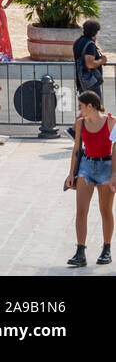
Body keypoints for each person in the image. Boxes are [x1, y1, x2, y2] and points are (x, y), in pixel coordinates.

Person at [64, 90, 116, 267]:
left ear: (90, 106)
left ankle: (107, 249)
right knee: (81, 210)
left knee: (105, 210)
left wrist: (114, 174)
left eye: (80, 107)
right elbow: (77, 149)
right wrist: (71, 174)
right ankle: (80, 251)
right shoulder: (80, 124)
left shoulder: (111, 122)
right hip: (86, 166)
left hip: (106, 167)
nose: (79, 110)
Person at [75, 20, 106, 105]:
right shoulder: (90, 45)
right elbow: (90, 64)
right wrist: (102, 61)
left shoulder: (78, 42)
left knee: (86, 111)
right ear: (95, 32)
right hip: (91, 82)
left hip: (81, 82)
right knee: (95, 111)